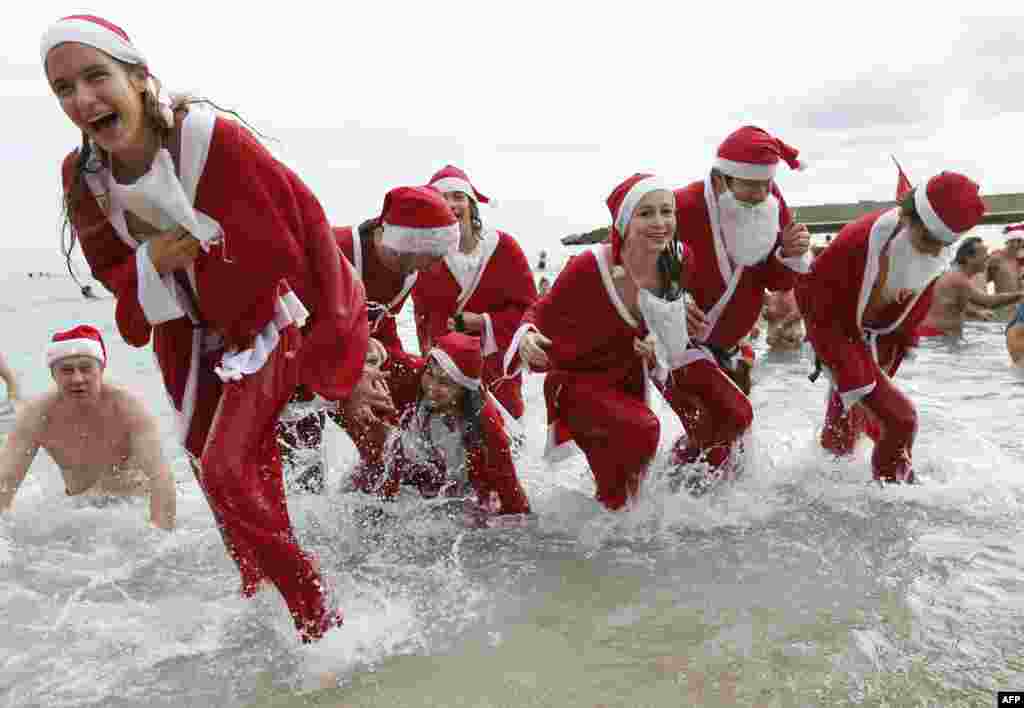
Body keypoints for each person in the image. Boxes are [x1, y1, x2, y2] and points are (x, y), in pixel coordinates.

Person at [42, 15, 386, 642]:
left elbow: (304, 240)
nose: (82, 99)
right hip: (184, 334)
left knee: (229, 470)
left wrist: (347, 358)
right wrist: (151, 261)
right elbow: (110, 269)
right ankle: (259, 600)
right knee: (213, 474)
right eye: (64, 88)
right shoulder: (83, 176)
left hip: (261, 325)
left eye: (96, 76)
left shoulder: (210, 141)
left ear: (139, 77)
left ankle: (321, 623)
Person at [511, 173, 705, 509]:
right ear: (624, 223)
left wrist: (658, 338)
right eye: (646, 213)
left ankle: (601, 535)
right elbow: (541, 310)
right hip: (577, 385)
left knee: (623, 492)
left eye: (667, 211)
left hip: (628, 380)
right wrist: (527, 336)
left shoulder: (679, 259)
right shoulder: (589, 266)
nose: (660, 223)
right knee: (642, 435)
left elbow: (665, 321)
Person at [796, 172, 986, 484]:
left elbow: (917, 300)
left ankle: (825, 489)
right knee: (902, 419)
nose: (933, 251)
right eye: (928, 241)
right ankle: (895, 495)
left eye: (943, 244)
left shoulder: (933, 251)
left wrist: (905, 339)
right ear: (907, 218)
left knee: (844, 433)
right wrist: (845, 364)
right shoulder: (858, 240)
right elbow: (810, 295)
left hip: (881, 339)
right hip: (835, 332)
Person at [280, 186, 459, 493]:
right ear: (405, 242)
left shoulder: (408, 273)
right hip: (295, 374)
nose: (435, 267)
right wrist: (353, 364)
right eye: (432, 256)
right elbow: (286, 328)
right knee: (303, 471)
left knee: (388, 447)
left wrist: (384, 370)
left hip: (352, 369)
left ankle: (368, 500)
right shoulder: (333, 249)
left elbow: (382, 327)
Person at [670, 126, 811, 485]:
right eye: (751, 185)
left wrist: (789, 254)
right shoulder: (680, 206)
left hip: (733, 347)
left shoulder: (771, 201)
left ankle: (668, 492)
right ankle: (687, 504)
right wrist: (671, 299)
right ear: (720, 179)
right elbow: (631, 264)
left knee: (724, 444)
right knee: (730, 423)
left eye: (767, 184)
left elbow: (777, 281)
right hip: (680, 346)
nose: (762, 194)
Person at [0, 326, 175, 529]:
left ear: (101, 369)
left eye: (85, 368)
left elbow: (160, 477)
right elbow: (6, 480)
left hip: (134, 509)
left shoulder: (128, 408)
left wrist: (160, 534)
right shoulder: (37, 415)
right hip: (80, 512)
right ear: (53, 374)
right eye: (67, 370)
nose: (77, 379)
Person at [351, 332, 530, 517]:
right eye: (430, 374)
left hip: (465, 475)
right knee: (364, 484)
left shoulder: (486, 427)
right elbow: (388, 358)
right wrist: (374, 353)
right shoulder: (417, 374)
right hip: (423, 461)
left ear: (463, 389)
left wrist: (519, 522)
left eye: (444, 383)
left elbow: (510, 492)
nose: (432, 387)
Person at [411, 165, 537, 419]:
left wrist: (482, 322)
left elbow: (530, 310)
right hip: (447, 376)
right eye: (443, 198)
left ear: (471, 204)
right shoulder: (428, 257)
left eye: (458, 197)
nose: (451, 204)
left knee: (504, 435)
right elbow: (423, 318)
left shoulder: (503, 247)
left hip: (496, 372)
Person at [917, 236, 1023, 338]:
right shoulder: (959, 279)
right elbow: (989, 302)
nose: (988, 257)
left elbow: (952, 304)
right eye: (984, 254)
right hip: (936, 338)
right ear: (969, 258)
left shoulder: (954, 274)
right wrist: (1020, 295)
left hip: (936, 336)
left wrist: (976, 313)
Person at [987, 226, 1024, 314]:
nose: (1018, 245)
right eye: (1016, 241)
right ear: (1008, 241)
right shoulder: (996, 258)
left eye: (1020, 241)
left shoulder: (1020, 260)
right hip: (1004, 308)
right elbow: (981, 281)